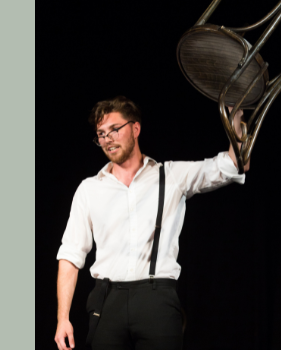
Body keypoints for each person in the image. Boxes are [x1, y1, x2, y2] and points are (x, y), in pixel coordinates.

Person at [54, 96, 249, 350]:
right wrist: (62, 318)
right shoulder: (89, 189)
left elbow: (235, 165)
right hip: (106, 301)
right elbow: (70, 255)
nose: (107, 139)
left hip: (157, 299)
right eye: (101, 134)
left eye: (114, 129)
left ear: (135, 129)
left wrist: (235, 121)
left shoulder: (170, 176)